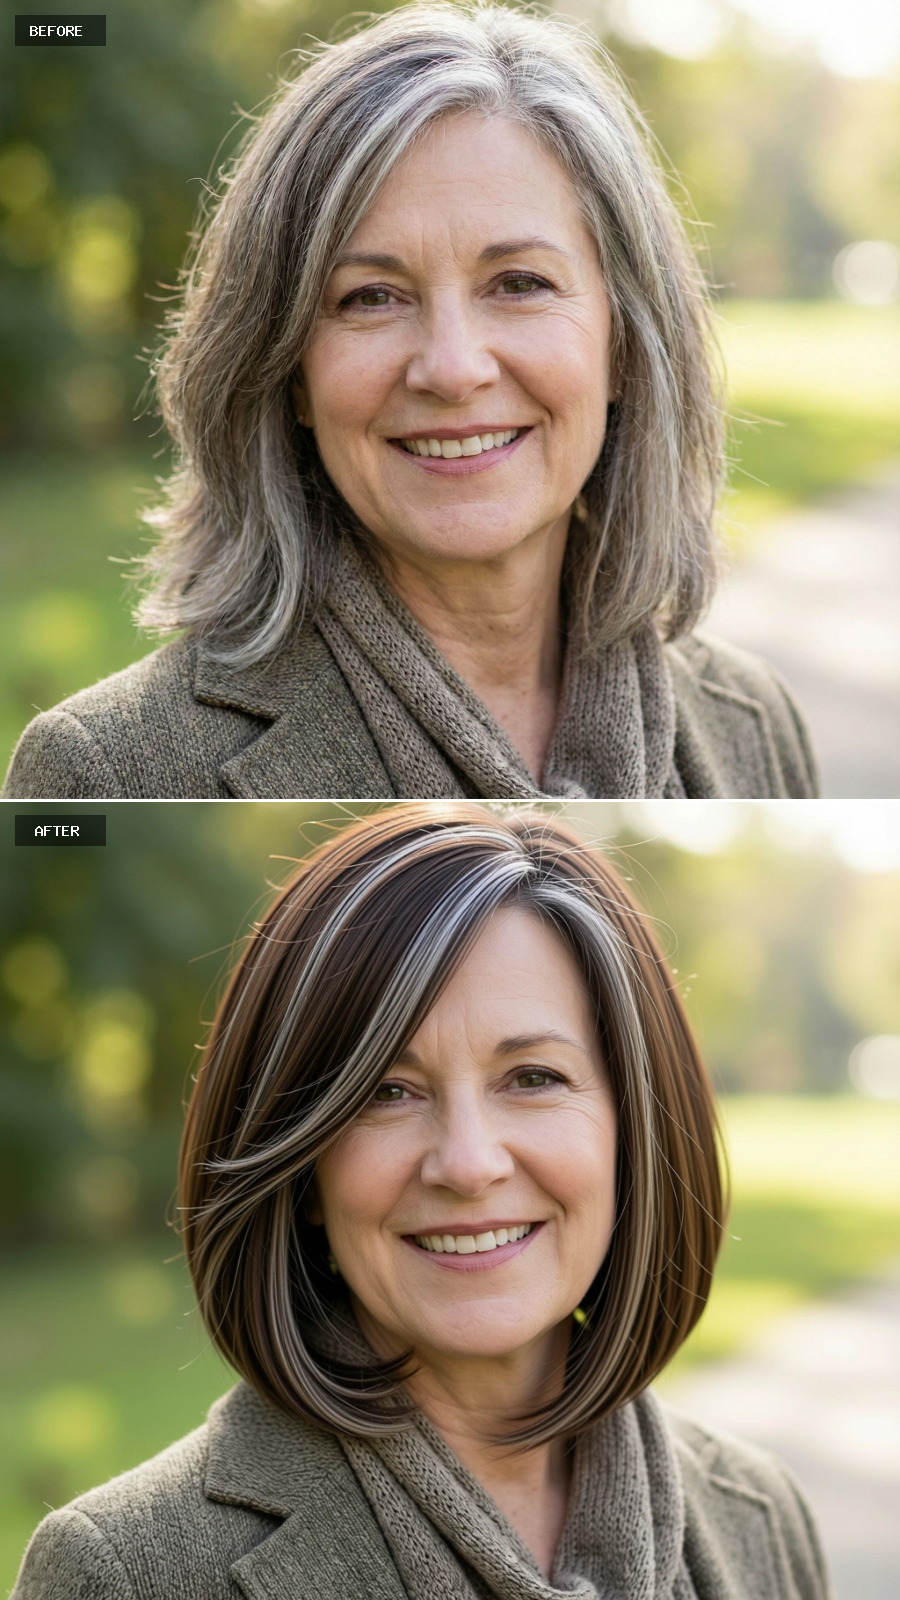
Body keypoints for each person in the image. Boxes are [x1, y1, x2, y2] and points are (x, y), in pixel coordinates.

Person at [12, 804, 834, 1598]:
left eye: (534, 1078)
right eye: (388, 1091)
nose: (468, 1164)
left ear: (635, 1134)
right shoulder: (124, 1574)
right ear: (301, 1169)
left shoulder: (759, 1517)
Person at [3, 4, 818, 802]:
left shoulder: (754, 721)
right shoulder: (106, 771)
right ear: (288, 372)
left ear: (626, 346)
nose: (453, 368)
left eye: (520, 283)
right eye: (371, 298)